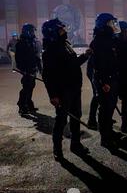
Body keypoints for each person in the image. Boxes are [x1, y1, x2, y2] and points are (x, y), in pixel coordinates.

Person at [41, 18, 91, 161]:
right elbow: (47, 76)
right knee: (61, 121)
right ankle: (57, 149)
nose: (64, 32)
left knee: (76, 117)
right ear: (53, 33)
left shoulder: (65, 45)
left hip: (74, 88)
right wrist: (53, 95)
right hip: (63, 91)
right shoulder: (50, 51)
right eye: (61, 30)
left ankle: (75, 144)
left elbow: (73, 64)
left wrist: (85, 56)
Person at [90, 13, 121, 149]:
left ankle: (109, 132)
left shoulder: (109, 38)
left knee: (110, 108)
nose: (113, 25)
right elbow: (98, 65)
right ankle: (105, 138)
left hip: (112, 78)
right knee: (105, 110)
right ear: (103, 25)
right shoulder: (99, 40)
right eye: (110, 23)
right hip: (105, 81)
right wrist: (103, 82)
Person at [15, 24, 42, 115]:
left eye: (33, 31)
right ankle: (22, 106)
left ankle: (28, 104)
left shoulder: (33, 42)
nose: (33, 33)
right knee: (26, 88)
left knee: (31, 87)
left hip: (33, 69)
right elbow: (18, 58)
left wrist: (40, 69)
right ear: (27, 31)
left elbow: (36, 56)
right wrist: (23, 69)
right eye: (31, 31)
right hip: (26, 70)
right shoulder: (21, 43)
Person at [117, 21, 127, 133]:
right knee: (126, 103)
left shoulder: (122, 42)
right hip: (122, 78)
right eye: (126, 31)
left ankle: (126, 123)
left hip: (125, 78)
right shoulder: (119, 43)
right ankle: (125, 125)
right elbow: (122, 59)